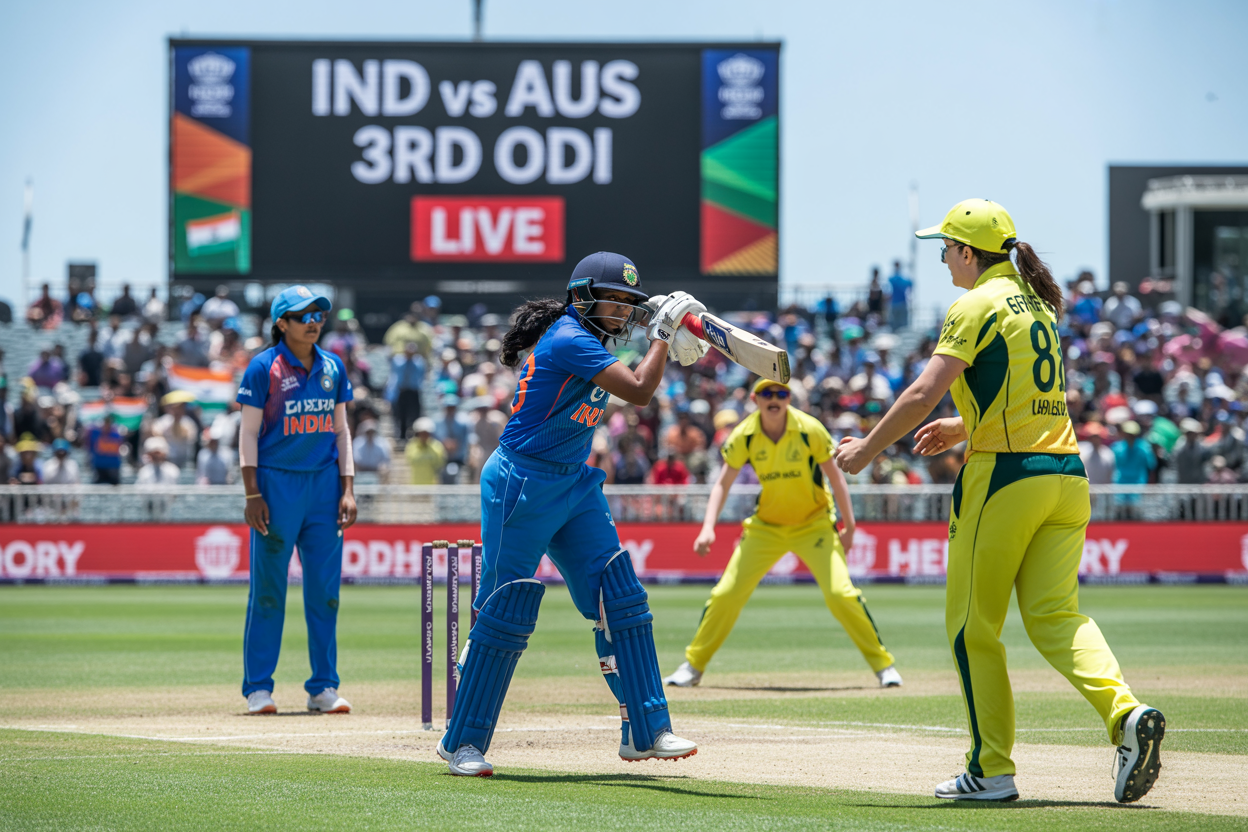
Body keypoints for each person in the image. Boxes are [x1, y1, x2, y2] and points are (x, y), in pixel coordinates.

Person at [833, 199, 1164, 804]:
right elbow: (1030, 394)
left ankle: (990, 771)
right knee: (1057, 617)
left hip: (1005, 480)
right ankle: (1126, 716)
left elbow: (922, 390)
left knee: (970, 628)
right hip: (1065, 474)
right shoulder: (1036, 301)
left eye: (945, 249)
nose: (942, 259)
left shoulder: (975, 302)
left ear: (967, 251)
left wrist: (868, 451)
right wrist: (964, 428)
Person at [438, 251, 704, 777]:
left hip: (573, 481)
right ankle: (461, 743)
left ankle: (646, 731)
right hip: (521, 480)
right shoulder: (569, 338)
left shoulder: (590, 339)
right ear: (582, 296)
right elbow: (641, 392)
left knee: (619, 594)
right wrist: (663, 336)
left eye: (632, 302)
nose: (624, 310)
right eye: (616, 300)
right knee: (504, 608)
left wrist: (663, 331)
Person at [664, 378, 900, 690]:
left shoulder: (810, 429)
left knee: (841, 594)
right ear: (754, 399)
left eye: (781, 392)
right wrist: (708, 527)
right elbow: (722, 483)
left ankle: (884, 667)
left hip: (814, 524)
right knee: (725, 594)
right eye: (766, 393)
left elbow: (836, 480)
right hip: (766, 527)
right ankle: (693, 667)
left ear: (790, 398)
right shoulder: (744, 435)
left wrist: (850, 526)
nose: (774, 398)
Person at [236, 286, 357, 717]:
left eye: (318, 315)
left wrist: (348, 487)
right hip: (276, 485)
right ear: (280, 324)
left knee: (325, 593)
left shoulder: (333, 366)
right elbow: (248, 433)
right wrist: (252, 492)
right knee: (268, 591)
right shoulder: (262, 368)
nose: (313, 322)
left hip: (324, 488)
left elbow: (341, 431)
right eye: (302, 315)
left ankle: (323, 687)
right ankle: (258, 689)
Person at [384, 341, 425, 440]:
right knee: (400, 414)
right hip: (401, 391)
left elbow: (421, 376)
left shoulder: (419, 361)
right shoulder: (398, 360)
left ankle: (414, 435)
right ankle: (401, 436)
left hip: (414, 391)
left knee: (414, 414)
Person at [150, 391, 200, 469]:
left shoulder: (188, 422)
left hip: (184, 461)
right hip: (167, 460)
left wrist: (177, 423)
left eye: (180, 407)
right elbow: (156, 434)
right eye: (175, 408)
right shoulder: (163, 421)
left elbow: (190, 437)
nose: (177, 410)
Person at [434, 394, 470, 484]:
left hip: (458, 457)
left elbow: (468, 439)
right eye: (448, 407)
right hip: (441, 458)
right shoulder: (437, 422)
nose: (450, 409)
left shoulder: (463, 422)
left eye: (452, 407)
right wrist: (443, 444)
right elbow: (434, 439)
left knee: (457, 482)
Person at [86, 412, 126, 484]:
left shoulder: (117, 434)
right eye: (105, 421)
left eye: (108, 422)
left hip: (113, 467)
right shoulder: (95, 433)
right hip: (99, 466)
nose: (106, 424)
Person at [405, 417, 445, 484]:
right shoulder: (411, 446)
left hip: (432, 487)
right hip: (414, 486)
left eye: (426, 433)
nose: (424, 435)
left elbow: (440, 466)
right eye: (422, 433)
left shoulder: (437, 446)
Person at [887, 260, 913, 330]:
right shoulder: (893, 279)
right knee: (896, 324)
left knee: (901, 325)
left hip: (901, 303)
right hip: (895, 304)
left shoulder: (892, 279)